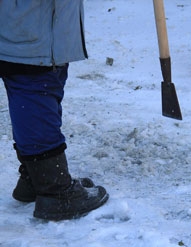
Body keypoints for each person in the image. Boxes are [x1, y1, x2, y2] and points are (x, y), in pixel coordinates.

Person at [0, 1, 109, 220]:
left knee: (39, 85)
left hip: (34, 26)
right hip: (31, 25)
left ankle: (36, 177)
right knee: (35, 87)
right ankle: (55, 190)